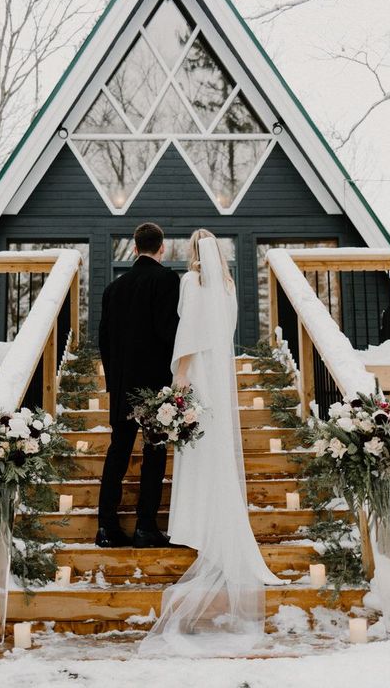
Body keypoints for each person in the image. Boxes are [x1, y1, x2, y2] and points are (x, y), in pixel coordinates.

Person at [140, 229, 285, 658]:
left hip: (198, 370)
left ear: (192, 253)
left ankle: (195, 522)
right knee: (213, 445)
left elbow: (188, 333)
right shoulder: (226, 287)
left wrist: (178, 378)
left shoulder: (190, 283)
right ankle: (213, 521)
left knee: (195, 448)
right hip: (220, 375)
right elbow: (223, 333)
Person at [97, 222, 180, 549]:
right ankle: (146, 525)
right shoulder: (166, 280)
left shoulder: (113, 289)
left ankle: (106, 527)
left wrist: (113, 379)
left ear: (134, 248)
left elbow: (104, 339)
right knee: (154, 451)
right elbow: (167, 330)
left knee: (118, 452)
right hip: (154, 384)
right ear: (162, 248)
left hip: (121, 383)